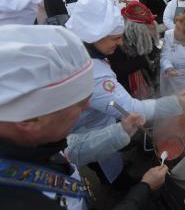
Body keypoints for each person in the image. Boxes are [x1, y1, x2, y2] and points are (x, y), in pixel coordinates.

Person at [0, 24, 168, 209]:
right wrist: (144, 189)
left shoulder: (34, 143)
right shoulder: (19, 201)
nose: (87, 106)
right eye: (76, 103)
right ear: (29, 120)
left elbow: (71, 150)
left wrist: (120, 131)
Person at [65, 0, 185, 188]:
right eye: (115, 38)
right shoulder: (93, 73)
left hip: (99, 120)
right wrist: (175, 103)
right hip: (88, 133)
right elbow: (132, 109)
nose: (120, 42)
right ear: (94, 37)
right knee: (109, 169)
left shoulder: (82, 51)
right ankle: (121, 187)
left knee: (114, 157)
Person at [109, 1, 159, 99]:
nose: (151, 25)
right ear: (134, 27)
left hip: (150, 84)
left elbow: (153, 52)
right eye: (146, 24)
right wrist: (144, 60)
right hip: (128, 91)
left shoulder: (145, 34)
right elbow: (117, 71)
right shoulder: (118, 41)